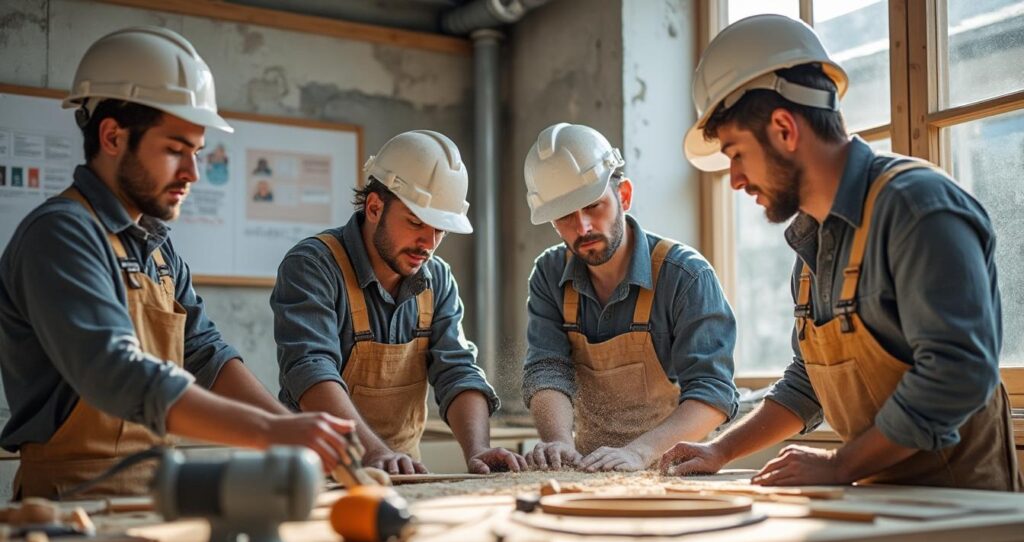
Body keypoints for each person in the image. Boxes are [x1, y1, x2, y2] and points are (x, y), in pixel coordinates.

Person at [664, 14, 1021, 491]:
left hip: (962, 512)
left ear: (784, 129)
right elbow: (808, 381)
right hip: (883, 506)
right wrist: (720, 449)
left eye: (736, 154)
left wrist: (840, 466)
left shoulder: (918, 208)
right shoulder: (812, 241)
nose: (735, 179)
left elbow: (957, 373)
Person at [0, 26, 353, 499]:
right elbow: (117, 372)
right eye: (174, 150)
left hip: (154, 493)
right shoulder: (61, 235)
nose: (192, 173)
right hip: (70, 502)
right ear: (111, 136)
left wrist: (292, 429)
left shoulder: (157, 246)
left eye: (196, 152)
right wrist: (269, 434)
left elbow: (205, 354)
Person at [271, 130, 526, 475]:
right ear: (375, 206)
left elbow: (457, 370)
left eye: (440, 229)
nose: (429, 243)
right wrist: (372, 452)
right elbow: (311, 370)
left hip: (403, 474)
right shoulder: (313, 265)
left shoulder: (437, 279)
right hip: (311, 473)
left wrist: (478, 449)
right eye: (416, 223)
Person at [521, 123, 738, 472]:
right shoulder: (548, 275)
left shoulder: (685, 276)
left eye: (594, 206)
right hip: (589, 469)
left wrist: (640, 452)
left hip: (677, 471)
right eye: (565, 216)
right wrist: (559, 442)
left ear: (623, 195)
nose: (584, 227)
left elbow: (713, 394)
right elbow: (547, 370)